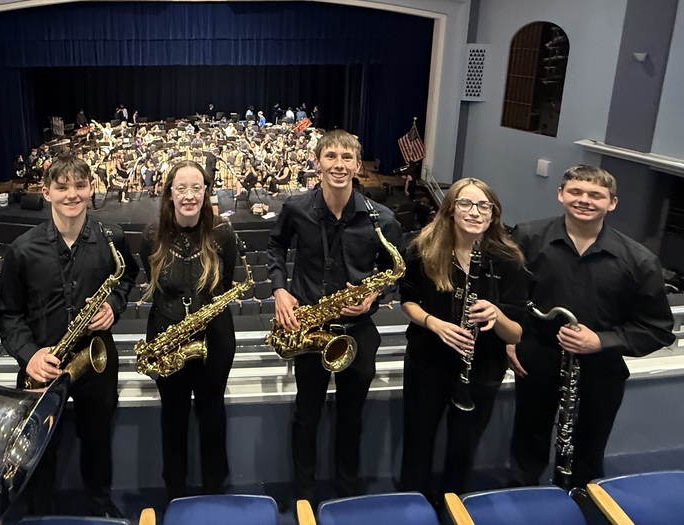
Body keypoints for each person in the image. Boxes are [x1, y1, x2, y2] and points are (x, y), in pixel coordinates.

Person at [507, 165, 674, 489]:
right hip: (537, 358)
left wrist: (601, 340)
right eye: (576, 192)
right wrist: (509, 339)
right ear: (561, 194)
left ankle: (582, 501)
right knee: (528, 440)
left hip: (601, 369)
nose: (584, 200)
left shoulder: (638, 260)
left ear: (611, 203)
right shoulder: (527, 238)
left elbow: (658, 329)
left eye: (595, 195)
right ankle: (523, 500)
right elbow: (510, 299)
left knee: (588, 451)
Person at [0, 155, 138, 518]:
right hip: (41, 366)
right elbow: (7, 313)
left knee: (97, 440)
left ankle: (100, 506)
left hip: (96, 358)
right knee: (38, 449)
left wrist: (114, 306)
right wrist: (29, 355)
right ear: (46, 192)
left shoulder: (112, 238)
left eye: (80, 185)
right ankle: (40, 512)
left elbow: (125, 279)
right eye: (62, 187)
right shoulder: (23, 249)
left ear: (91, 188)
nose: (72, 195)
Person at [267, 130, 404, 503]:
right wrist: (280, 288)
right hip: (311, 328)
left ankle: (347, 493)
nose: (338, 164)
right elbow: (275, 246)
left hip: (358, 331)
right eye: (331, 156)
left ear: (358, 165)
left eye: (347, 157)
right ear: (317, 161)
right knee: (306, 417)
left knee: (351, 417)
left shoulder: (383, 219)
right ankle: (304, 495)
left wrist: (375, 295)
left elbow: (394, 271)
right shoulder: (296, 208)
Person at [397, 178, 526, 504]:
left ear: (493, 214)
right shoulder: (421, 249)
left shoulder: (508, 261)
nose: (475, 212)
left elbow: (516, 333)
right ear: (451, 209)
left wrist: (497, 316)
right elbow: (408, 300)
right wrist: (434, 323)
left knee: (463, 450)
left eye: (484, 206)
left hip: (481, 371)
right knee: (417, 443)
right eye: (466, 204)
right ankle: (414, 505)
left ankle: (454, 508)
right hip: (427, 364)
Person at [137, 161, 238, 503]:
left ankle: (215, 489)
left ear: (207, 191)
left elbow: (225, 284)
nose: (189, 195)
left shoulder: (223, 234)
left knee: (213, 413)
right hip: (167, 339)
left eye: (197, 188)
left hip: (214, 340)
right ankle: (174, 491)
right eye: (181, 188)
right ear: (169, 194)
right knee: (173, 416)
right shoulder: (151, 237)